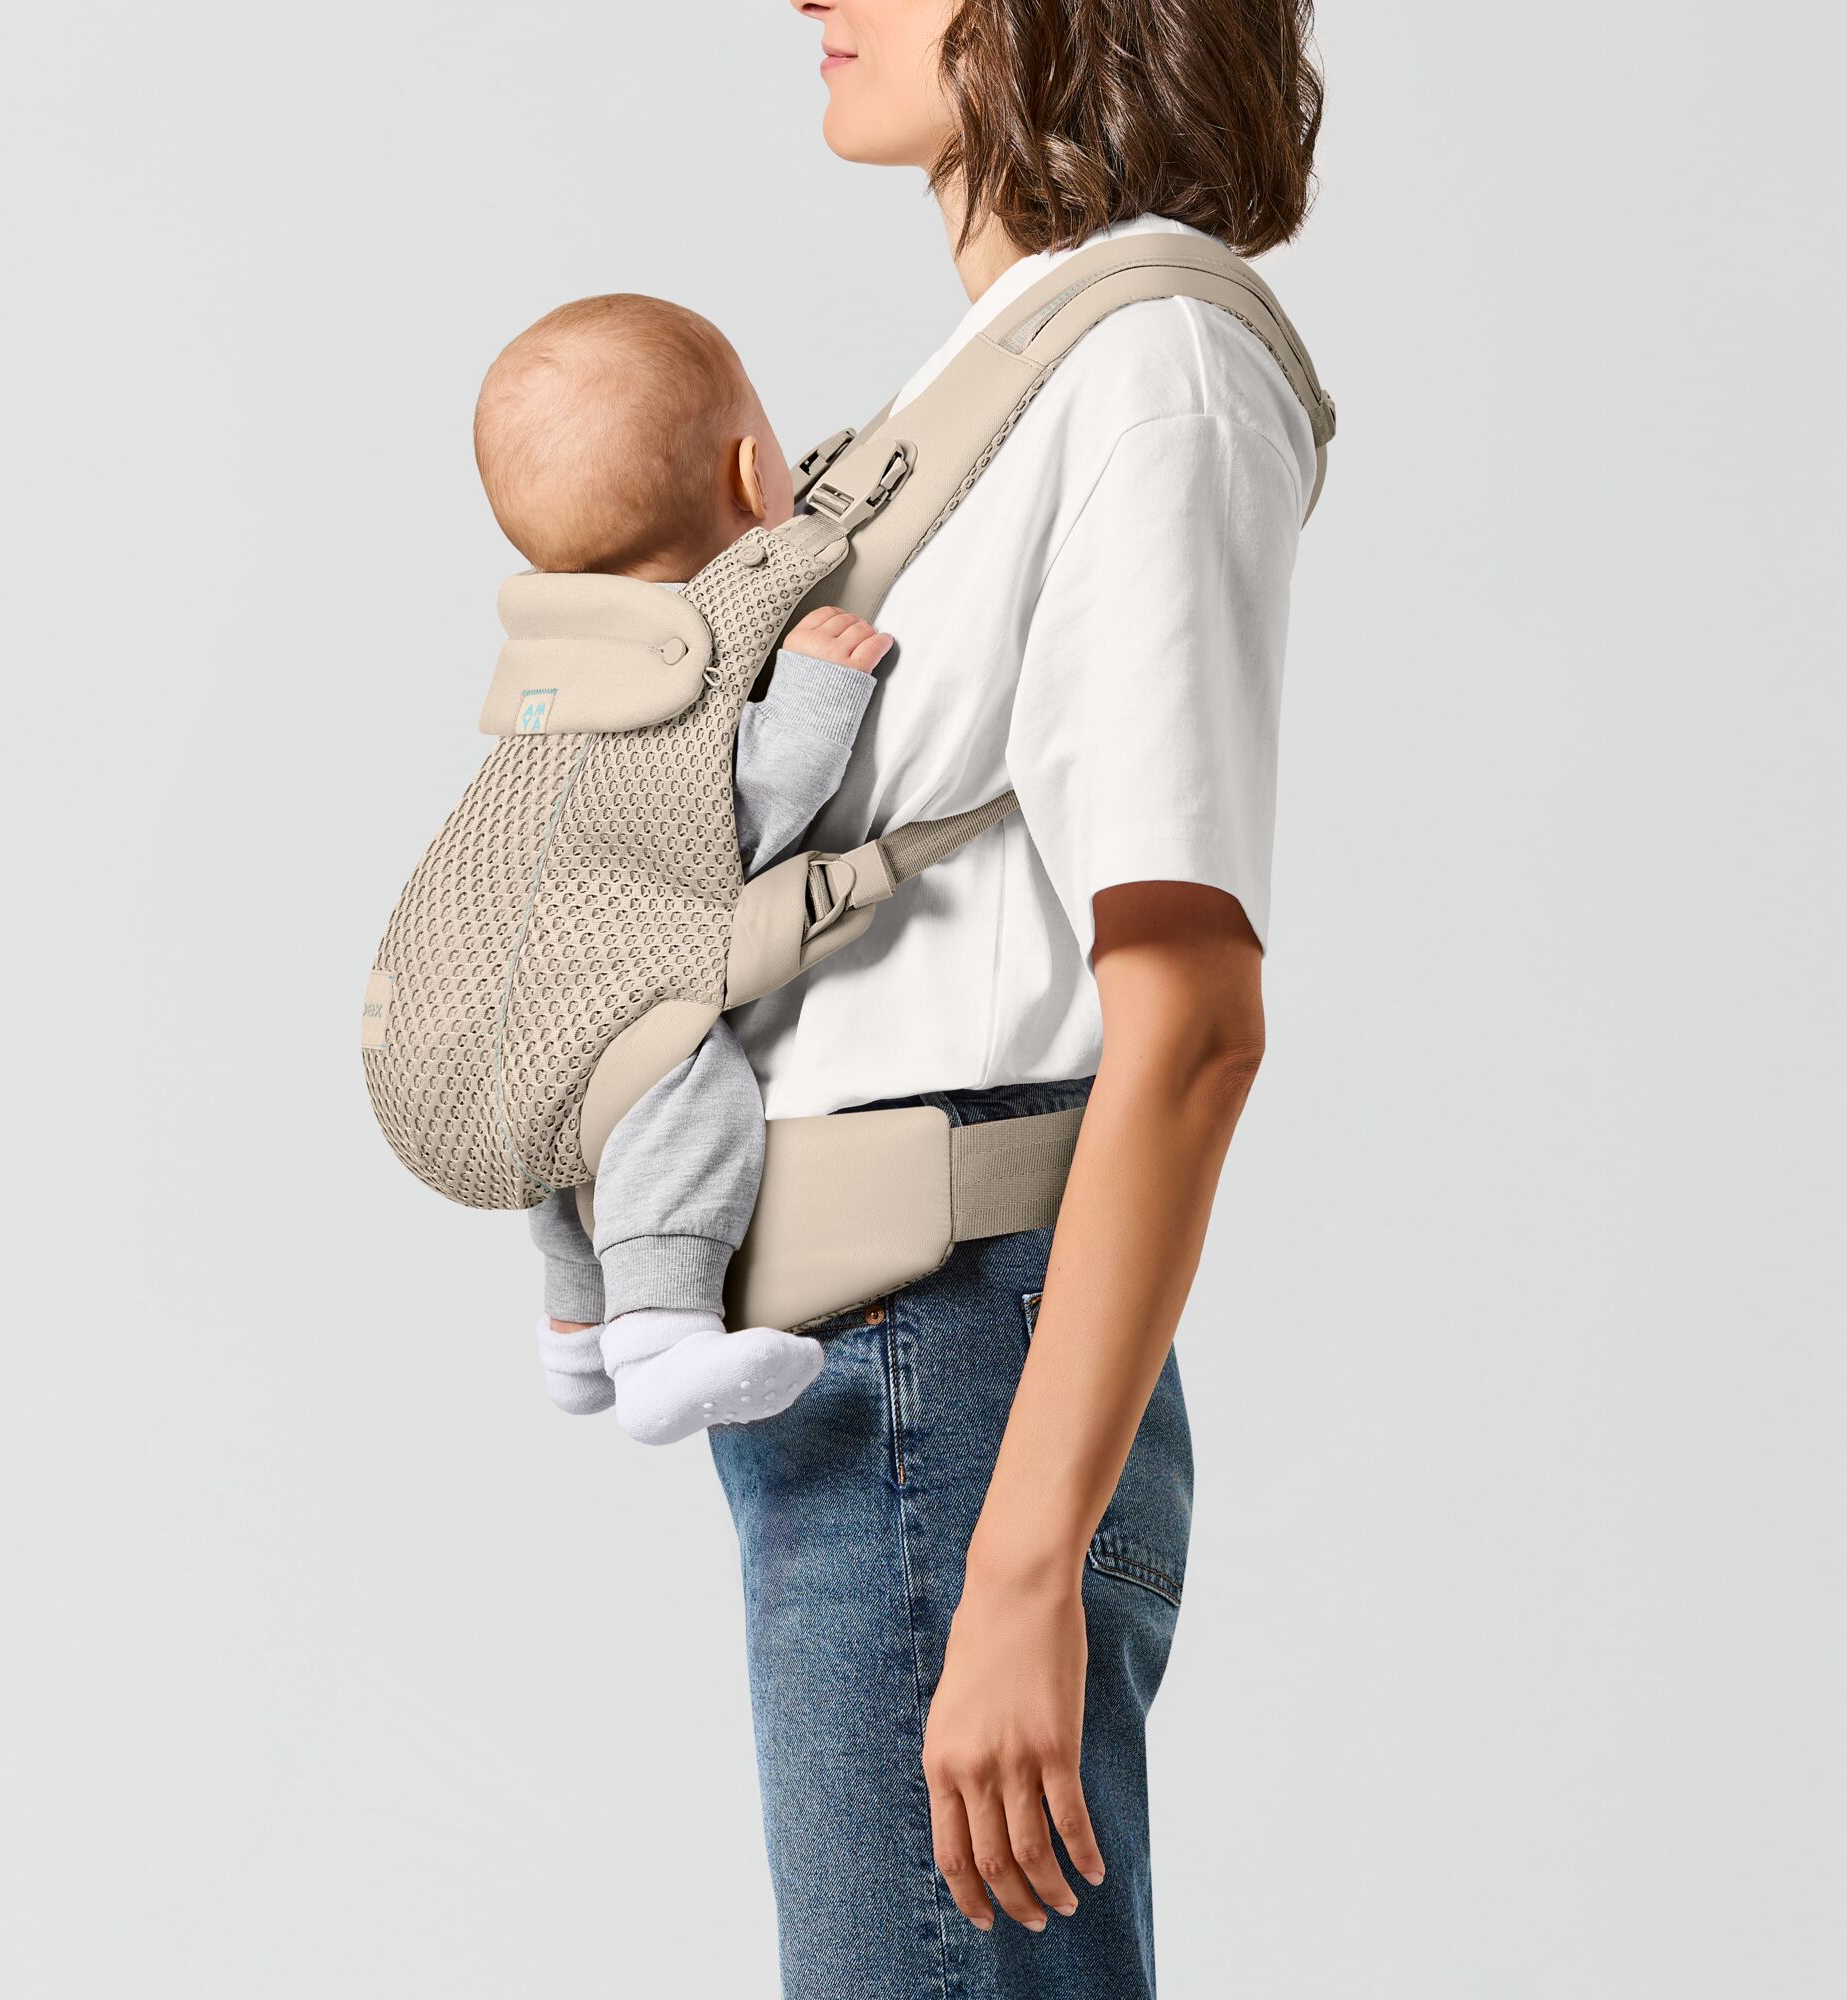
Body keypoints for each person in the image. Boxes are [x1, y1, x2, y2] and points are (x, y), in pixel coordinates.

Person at [708, 4, 1329, 1994]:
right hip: (882, 1375)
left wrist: (1021, 1556)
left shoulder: (1152, 369)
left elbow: (1194, 1019)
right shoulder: (1001, 382)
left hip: (957, 1368)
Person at [474, 294, 894, 1445]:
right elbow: (733, 815)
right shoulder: (690, 653)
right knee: (686, 1089)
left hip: (525, 982)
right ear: (755, 476)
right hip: (625, 982)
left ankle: (574, 1329)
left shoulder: (564, 661)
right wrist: (816, 691)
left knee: (568, 1137)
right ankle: (659, 1340)